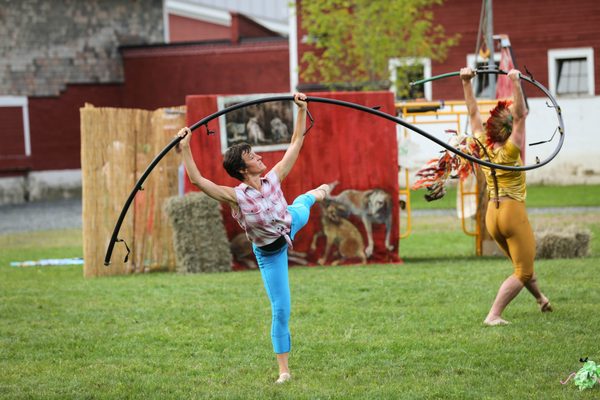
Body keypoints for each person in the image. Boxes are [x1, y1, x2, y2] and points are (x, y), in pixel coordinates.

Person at [177, 92, 330, 383]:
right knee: (281, 308)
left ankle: (315, 194)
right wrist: (185, 147)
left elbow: (296, 142)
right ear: (242, 169)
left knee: (303, 205)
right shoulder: (236, 198)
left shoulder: (274, 177)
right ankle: (284, 371)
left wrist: (301, 109)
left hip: (290, 223)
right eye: (252, 157)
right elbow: (198, 180)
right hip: (270, 251)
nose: (260, 158)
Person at [460, 67, 552, 326]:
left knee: (523, 263)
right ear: (509, 129)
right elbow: (522, 115)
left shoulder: (481, 144)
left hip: (493, 216)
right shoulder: (511, 150)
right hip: (512, 214)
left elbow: (473, 111)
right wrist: (515, 81)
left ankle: (541, 299)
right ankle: (494, 315)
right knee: (522, 270)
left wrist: (466, 81)